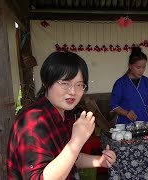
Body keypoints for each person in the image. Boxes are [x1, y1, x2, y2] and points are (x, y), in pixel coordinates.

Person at [7, 51, 116, 179]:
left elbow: (68, 157)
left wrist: (99, 161)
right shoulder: (34, 122)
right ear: (46, 82)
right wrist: (77, 141)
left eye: (79, 85)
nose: (73, 92)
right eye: (65, 83)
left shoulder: (65, 115)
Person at [110, 47, 148, 124]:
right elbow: (114, 105)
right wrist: (126, 113)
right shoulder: (120, 83)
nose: (141, 70)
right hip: (125, 124)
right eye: (138, 67)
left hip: (145, 122)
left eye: (144, 67)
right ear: (130, 65)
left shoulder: (147, 82)